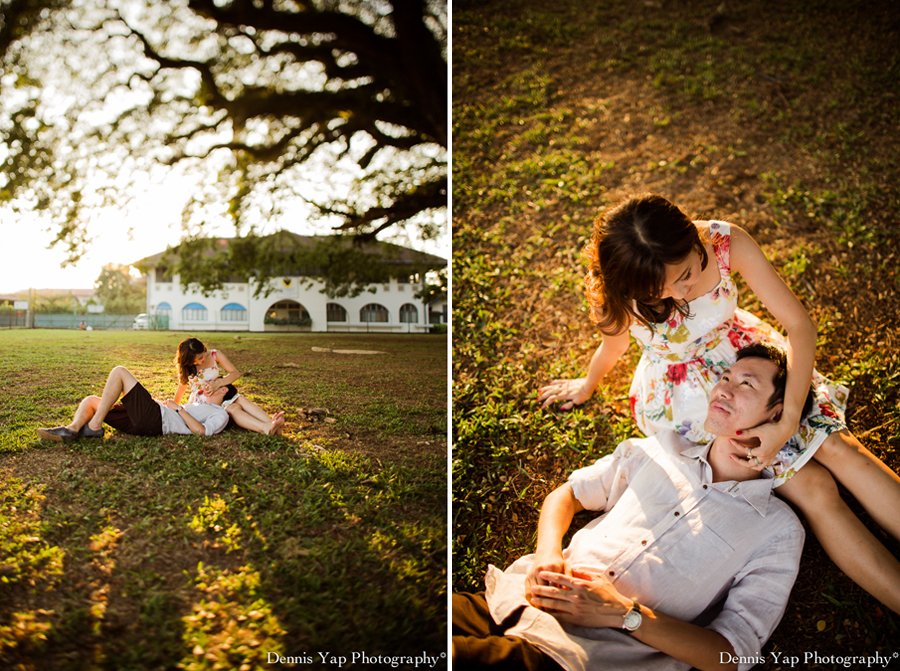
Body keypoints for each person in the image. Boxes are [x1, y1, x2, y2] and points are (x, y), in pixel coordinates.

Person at [536, 193, 900, 613]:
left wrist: (788, 420)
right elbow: (613, 344)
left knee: (839, 447)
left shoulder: (726, 243)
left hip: (747, 359)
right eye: (661, 290)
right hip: (688, 399)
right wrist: (588, 383)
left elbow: (800, 325)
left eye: (686, 274)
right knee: (813, 487)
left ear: (693, 238)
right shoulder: (621, 292)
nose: (680, 291)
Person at [454, 345, 807, 671]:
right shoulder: (661, 448)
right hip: (508, 600)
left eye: (746, 384)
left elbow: (734, 653)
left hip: (574, 658)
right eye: (726, 377)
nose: (724, 389)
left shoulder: (777, 530)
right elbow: (569, 494)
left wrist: (624, 613)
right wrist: (547, 554)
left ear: (779, 413)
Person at [36, 365, 232, 441]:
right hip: (148, 418)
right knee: (91, 401)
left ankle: (94, 427)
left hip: (156, 420)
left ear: (224, 389)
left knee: (119, 371)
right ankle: (72, 430)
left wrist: (178, 408)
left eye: (214, 382)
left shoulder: (220, 413)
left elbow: (203, 432)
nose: (207, 384)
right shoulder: (197, 401)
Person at [173, 337, 285, 436]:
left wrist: (219, 383)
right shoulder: (187, 367)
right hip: (204, 401)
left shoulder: (214, 355)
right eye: (195, 361)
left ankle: (270, 424)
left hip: (220, 391)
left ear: (204, 349)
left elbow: (235, 373)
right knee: (232, 408)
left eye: (201, 357)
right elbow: (182, 388)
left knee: (239, 400)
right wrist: (174, 407)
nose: (200, 361)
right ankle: (266, 428)